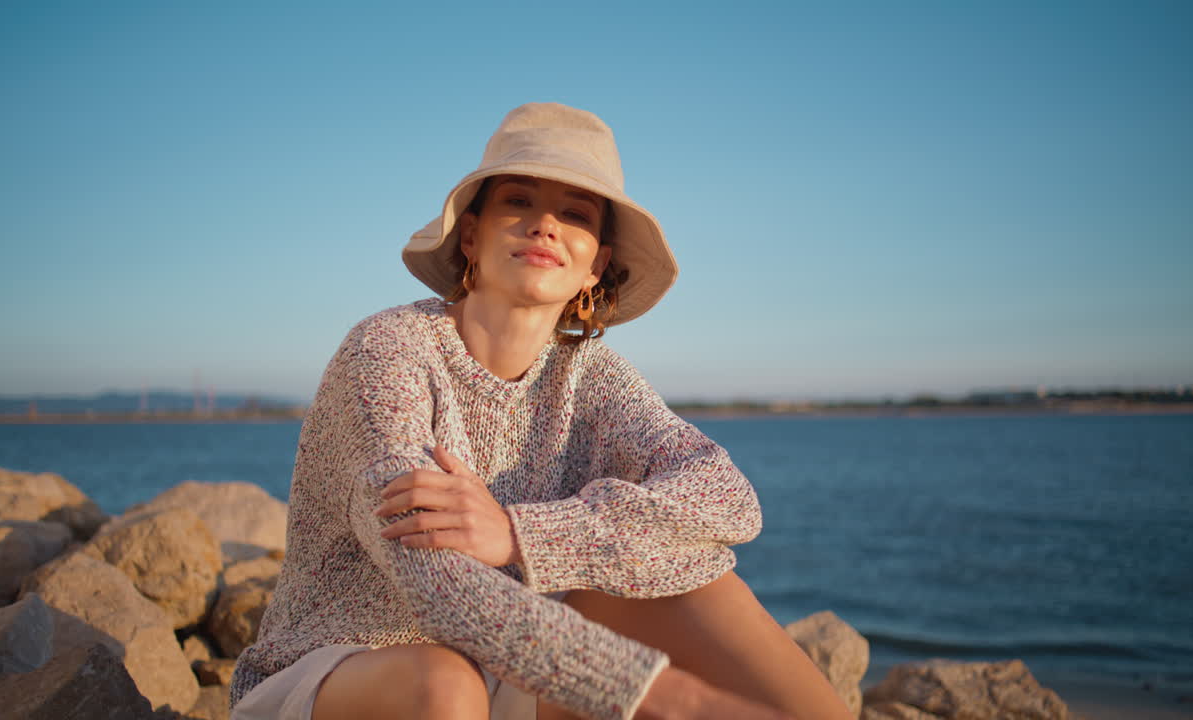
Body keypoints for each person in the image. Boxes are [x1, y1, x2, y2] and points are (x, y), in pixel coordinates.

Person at [229, 103, 851, 720]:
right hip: (336, 679)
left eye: (574, 214)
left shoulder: (592, 377)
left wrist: (521, 532)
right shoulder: (388, 351)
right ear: (471, 234)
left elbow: (728, 499)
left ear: (596, 264)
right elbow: (435, 584)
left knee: (684, 574)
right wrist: (675, 699)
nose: (544, 226)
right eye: (519, 202)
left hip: (506, 669)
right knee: (444, 688)